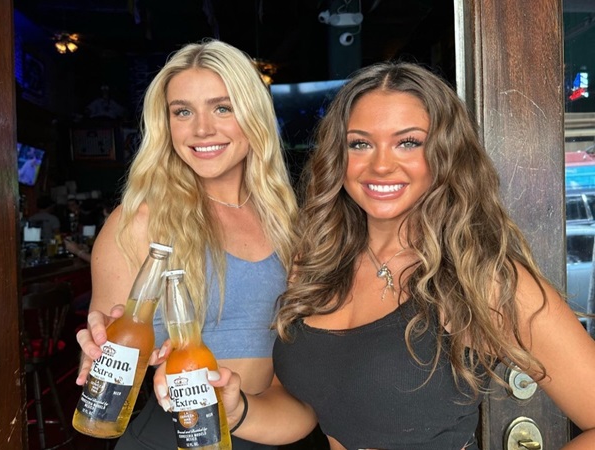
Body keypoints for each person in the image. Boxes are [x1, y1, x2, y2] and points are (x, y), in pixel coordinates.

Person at [158, 61, 595, 449]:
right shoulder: (316, 261)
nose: (381, 165)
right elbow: (304, 410)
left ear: (446, 154)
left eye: (408, 142)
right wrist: (236, 410)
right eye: (360, 144)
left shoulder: (485, 279)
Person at [75, 39, 298, 450]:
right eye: (182, 112)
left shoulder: (290, 223)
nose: (201, 129)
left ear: (253, 115)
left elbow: (307, 372)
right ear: (166, 125)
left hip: (266, 427)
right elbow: (106, 365)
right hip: (172, 435)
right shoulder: (138, 222)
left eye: (222, 108)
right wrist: (97, 350)